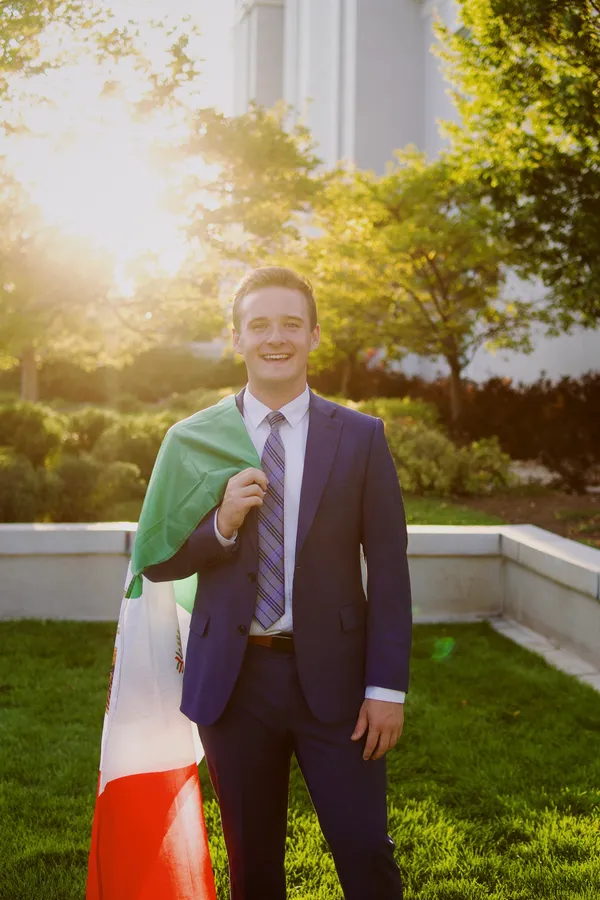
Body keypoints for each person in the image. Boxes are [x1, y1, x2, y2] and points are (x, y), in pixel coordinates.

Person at [145, 266, 412, 900]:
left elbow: (391, 568)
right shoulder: (194, 440)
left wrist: (386, 688)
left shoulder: (361, 437)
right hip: (235, 684)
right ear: (235, 337)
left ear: (315, 335)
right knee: (254, 866)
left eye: (291, 324)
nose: (276, 338)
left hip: (340, 684)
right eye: (259, 324)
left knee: (365, 852)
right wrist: (222, 525)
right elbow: (158, 560)